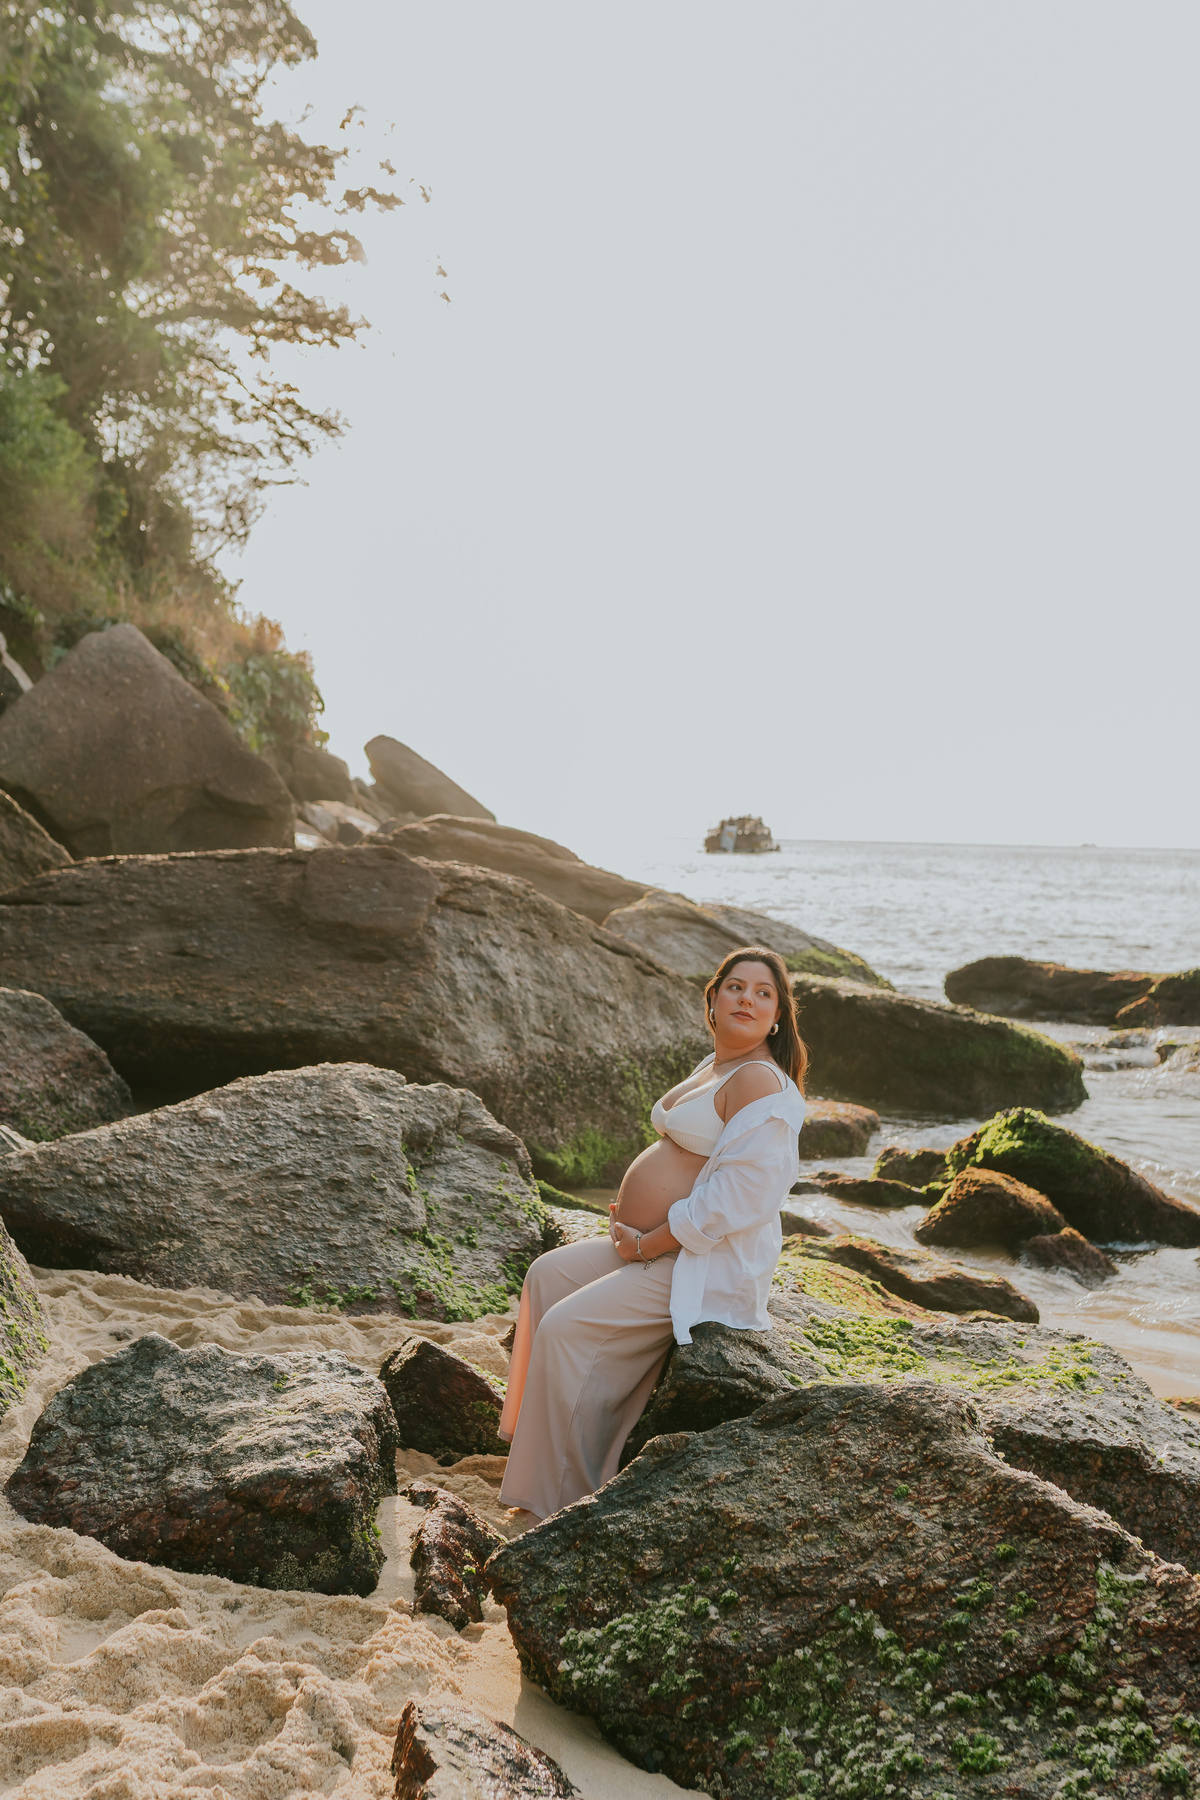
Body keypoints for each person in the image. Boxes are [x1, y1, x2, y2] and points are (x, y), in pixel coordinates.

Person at [497, 945, 807, 1523]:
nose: (748, 999)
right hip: (652, 1246)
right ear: (712, 998)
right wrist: (633, 1214)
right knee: (546, 1276)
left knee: (567, 1328)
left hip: (695, 1260)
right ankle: (531, 1448)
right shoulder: (715, 1065)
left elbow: (745, 1196)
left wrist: (649, 1240)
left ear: (779, 1015)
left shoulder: (762, 1081)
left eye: (764, 993)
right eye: (736, 987)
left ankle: (564, 1494)